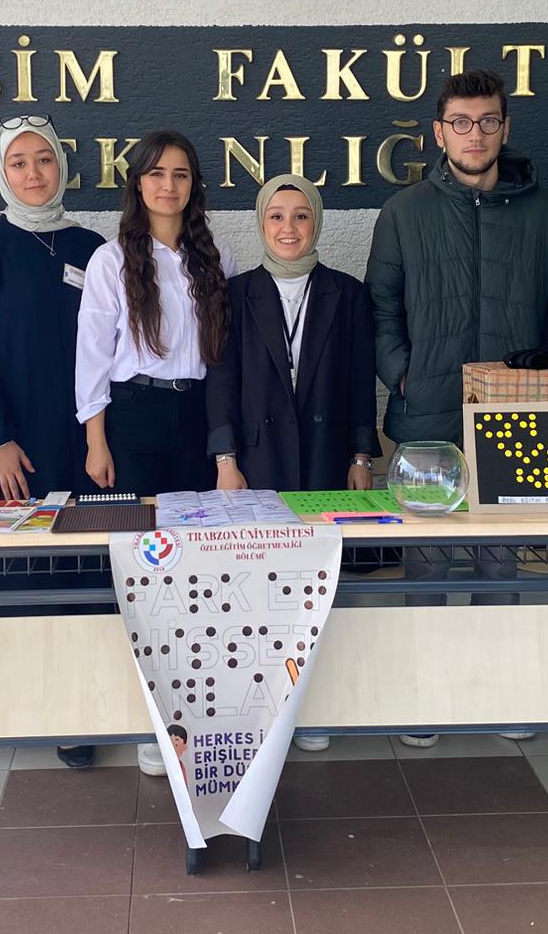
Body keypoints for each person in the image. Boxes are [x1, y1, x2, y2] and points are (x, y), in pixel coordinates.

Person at [365, 68, 548, 747]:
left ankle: (499, 691)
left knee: (500, 559)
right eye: (460, 122)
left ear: (505, 127)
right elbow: (381, 309)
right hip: (426, 414)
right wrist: (403, 376)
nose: (474, 134)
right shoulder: (404, 212)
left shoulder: (543, 211)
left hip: (512, 417)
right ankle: (425, 698)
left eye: (487, 121)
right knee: (427, 561)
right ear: (438, 132)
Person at [0, 115, 108, 768]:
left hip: (79, 442)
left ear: (62, 166)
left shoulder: (93, 248)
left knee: (79, 575)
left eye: (44, 159)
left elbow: (113, 344)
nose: (34, 173)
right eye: (19, 162)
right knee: (14, 572)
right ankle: (8, 704)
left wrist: (101, 434)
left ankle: (75, 714)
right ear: (1, 173)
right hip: (9, 450)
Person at [75, 130, 233, 774]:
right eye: (156, 174)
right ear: (137, 183)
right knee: (142, 566)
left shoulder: (210, 258)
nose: (169, 186)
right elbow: (91, 356)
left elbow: (220, 360)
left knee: (193, 564)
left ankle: (191, 707)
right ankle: (150, 718)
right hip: (134, 416)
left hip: (195, 417)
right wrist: (96, 439)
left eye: (181, 174)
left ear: (194, 186)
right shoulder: (111, 260)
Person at [206, 175, 378, 753]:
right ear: (261, 223)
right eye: (276, 216)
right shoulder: (233, 293)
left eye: (301, 216)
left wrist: (361, 454)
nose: (288, 227)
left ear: (316, 223)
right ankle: (259, 705)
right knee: (257, 585)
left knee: (315, 586)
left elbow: (360, 382)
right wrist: (225, 458)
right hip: (257, 459)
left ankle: (311, 704)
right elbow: (221, 383)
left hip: (326, 458)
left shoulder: (347, 294)